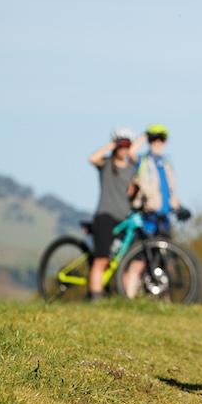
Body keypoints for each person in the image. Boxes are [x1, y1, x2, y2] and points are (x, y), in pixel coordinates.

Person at [122, 124, 189, 298]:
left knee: (167, 263)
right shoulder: (143, 160)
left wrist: (180, 207)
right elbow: (130, 153)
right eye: (154, 139)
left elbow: (170, 193)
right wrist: (145, 135)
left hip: (164, 219)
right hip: (147, 218)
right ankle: (129, 299)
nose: (158, 142)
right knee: (139, 261)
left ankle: (165, 300)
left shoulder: (166, 164)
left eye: (161, 139)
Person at [86, 128, 138, 300]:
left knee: (124, 261)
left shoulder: (131, 168)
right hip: (105, 216)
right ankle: (96, 296)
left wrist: (136, 145)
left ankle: (126, 299)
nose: (123, 148)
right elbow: (92, 158)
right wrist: (112, 144)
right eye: (121, 145)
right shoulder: (107, 164)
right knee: (101, 259)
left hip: (124, 219)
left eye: (127, 145)